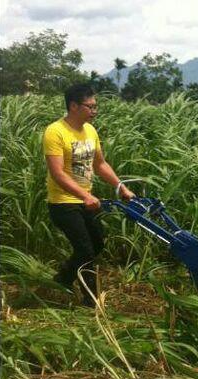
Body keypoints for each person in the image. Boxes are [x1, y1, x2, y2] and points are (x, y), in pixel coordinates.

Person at [43, 82, 135, 306]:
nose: (95, 111)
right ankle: (86, 296)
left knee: (97, 246)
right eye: (90, 106)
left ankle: (69, 283)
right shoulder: (55, 132)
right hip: (63, 203)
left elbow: (100, 164)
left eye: (96, 106)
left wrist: (121, 187)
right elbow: (57, 174)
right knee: (85, 249)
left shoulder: (90, 130)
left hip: (87, 200)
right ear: (73, 106)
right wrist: (84, 196)